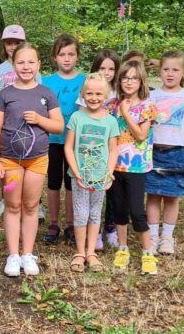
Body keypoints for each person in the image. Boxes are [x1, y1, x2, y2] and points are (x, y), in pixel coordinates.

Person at [0, 42, 63, 277]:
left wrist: (40, 120)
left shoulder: (46, 94)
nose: (26, 66)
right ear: (13, 65)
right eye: (21, 62)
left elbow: (59, 126)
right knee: (12, 205)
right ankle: (13, 255)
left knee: (31, 206)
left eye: (31, 62)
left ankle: (28, 254)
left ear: (39, 65)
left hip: (37, 161)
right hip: (10, 162)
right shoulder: (5, 94)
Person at [145, 51, 184, 255]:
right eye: (166, 69)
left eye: (175, 70)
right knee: (152, 195)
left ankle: (167, 237)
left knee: (172, 197)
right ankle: (152, 236)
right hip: (153, 152)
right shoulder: (151, 95)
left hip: (178, 154)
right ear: (159, 70)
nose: (170, 74)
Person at [0, 25, 44, 221]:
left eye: (17, 42)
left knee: (32, 166)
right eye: (9, 42)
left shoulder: (32, 69)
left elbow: (39, 95)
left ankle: (36, 202)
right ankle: (7, 197)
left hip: (29, 128)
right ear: (4, 45)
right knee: (7, 166)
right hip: (7, 127)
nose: (13, 46)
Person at [107, 60, 159, 275]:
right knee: (118, 209)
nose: (129, 82)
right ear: (119, 80)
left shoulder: (147, 106)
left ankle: (147, 253)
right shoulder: (111, 105)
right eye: (125, 77)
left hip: (136, 168)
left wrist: (126, 113)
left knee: (137, 211)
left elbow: (140, 135)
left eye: (134, 78)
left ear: (141, 81)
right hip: (115, 166)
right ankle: (123, 248)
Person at [64, 73, 119, 272]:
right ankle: (79, 252)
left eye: (98, 94)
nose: (94, 97)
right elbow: (68, 147)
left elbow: (113, 149)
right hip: (79, 177)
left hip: (100, 177)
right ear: (82, 95)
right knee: (80, 214)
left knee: (95, 214)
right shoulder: (77, 118)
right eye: (89, 93)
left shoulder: (111, 121)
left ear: (106, 96)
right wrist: (76, 171)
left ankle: (91, 252)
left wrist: (109, 172)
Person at [42, 35, 86, 245]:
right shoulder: (46, 81)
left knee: (71, 183)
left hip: (75, 141)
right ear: (54, 57)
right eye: (62, 54)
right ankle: (53, 223)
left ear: (77, 56)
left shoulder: (85, 80)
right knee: (53, 182)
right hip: (51, 139)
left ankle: (70, 223)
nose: (67, 59)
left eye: (71, 54)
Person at [77, 49, 121, 250]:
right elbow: (81, 123)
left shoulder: (119, 92)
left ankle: (109, 227)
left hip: (114, 146)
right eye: (102, 68)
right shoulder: (89, 90)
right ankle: (90, 234)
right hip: (89, 152)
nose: (107, 72)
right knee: (88, 195)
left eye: (111, 68)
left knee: (111, 192)